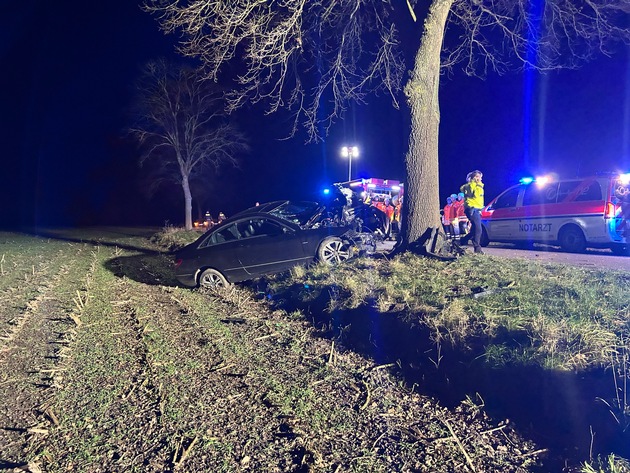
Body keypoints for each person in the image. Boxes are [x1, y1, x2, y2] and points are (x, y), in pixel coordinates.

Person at [460, 170, 485, 254]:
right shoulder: (470, 186)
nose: (480, 179)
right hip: (472, 209)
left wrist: (481, 209)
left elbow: (479, 199)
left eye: (480, 177)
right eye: (478, 177)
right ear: (473, 177)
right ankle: (477, 249)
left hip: (477, 209)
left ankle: (463, 240)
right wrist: (473, 182)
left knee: (475, 229)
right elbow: (471, 193)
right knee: (478, 229)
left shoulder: (480, 186)